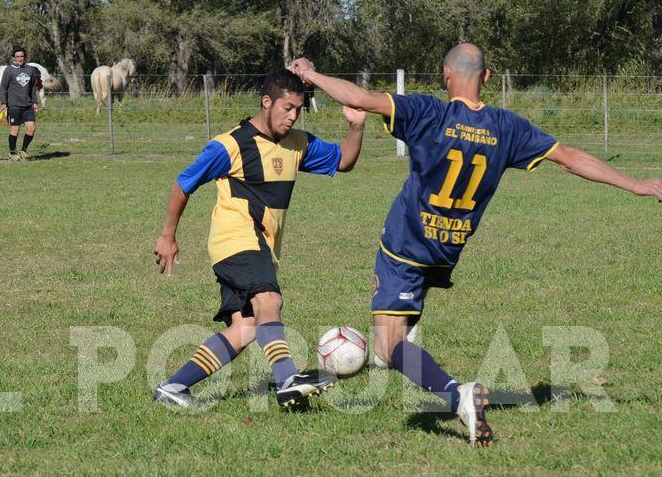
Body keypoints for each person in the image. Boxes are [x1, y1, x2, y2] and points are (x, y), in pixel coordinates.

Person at [290, 44, 662, 446]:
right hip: (448, 248)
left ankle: (456, 394)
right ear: (486, 78)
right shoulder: (507, 127)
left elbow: (358, 98)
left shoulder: (428, 113)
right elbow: (570, 157)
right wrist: (637, 185)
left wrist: (311, 74)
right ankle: (399, 345)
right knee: (393, 337)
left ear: (446, 74)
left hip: (406, 245)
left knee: (389, 344)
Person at [153, 69, 366, 409]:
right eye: (287, 108)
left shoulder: (298, 143)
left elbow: (344, 161)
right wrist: (168, 236)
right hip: (236, 239)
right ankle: (287, 379)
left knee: (246, 328)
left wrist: (356, 125)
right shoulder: (232, 144)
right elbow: (184, 182)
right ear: (266, 103)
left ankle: (173, 387)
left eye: (299, 108)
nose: (293, 115)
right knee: (269, 299)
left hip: (258, 247)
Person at [0, 47, 40, 161]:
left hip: (27, 106)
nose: (20, 59)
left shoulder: (30, 69)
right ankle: (12, 153)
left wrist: (35, 102)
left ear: (25, 57)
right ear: (13, 58)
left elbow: (32, 88)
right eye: (17, 57)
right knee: (14, 131)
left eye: (22, 56)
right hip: (14, 106)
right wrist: (3, 102)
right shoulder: (9, 70)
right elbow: (3, 87)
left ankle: (23, 151)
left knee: (31, 129)